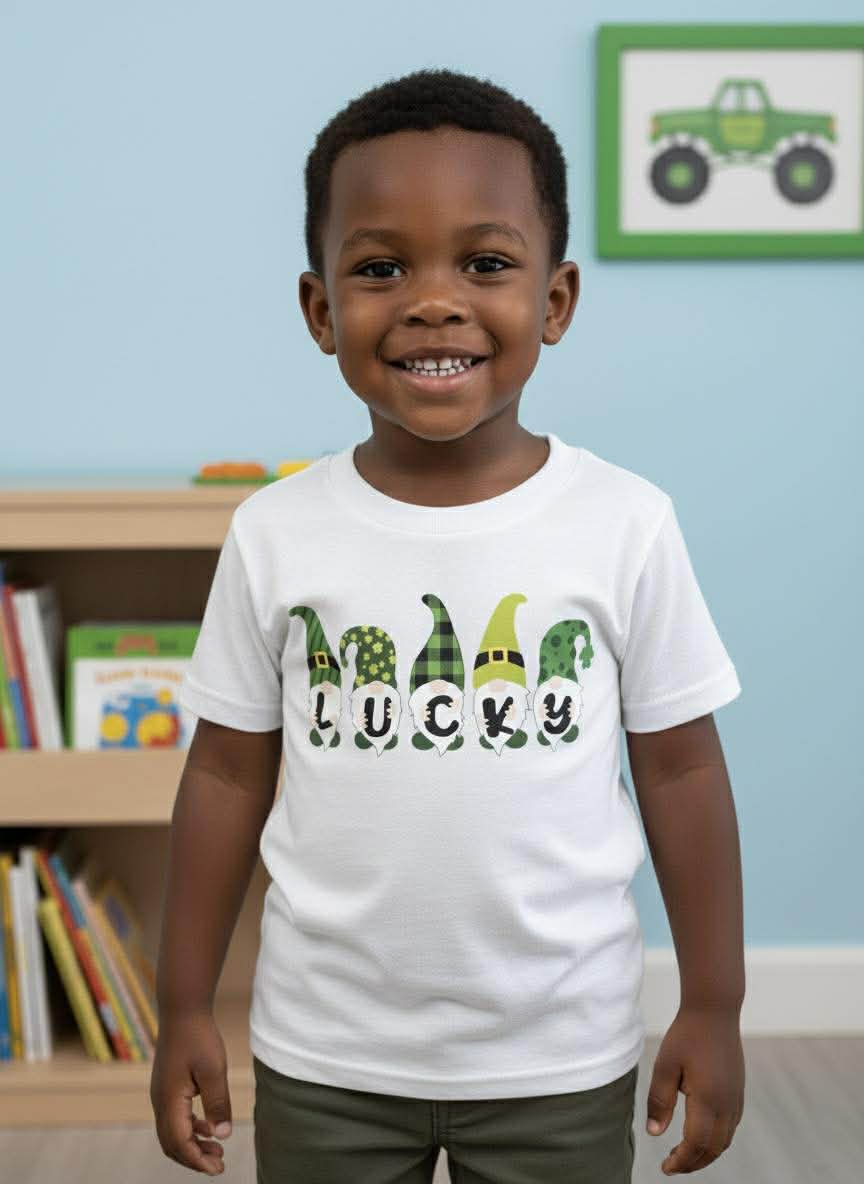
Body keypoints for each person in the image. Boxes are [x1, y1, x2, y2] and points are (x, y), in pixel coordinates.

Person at [150, 67, 746, 1182]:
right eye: (381, 268)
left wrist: (716, 1000)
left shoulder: (625, 523)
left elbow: (679, 772)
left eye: (485, 262)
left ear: (555, 300)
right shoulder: (275, 531)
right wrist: (182, 1002)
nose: (433, 299)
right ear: (321, 308)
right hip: (326, 1052)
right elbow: (228, 772)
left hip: (559, 1054)